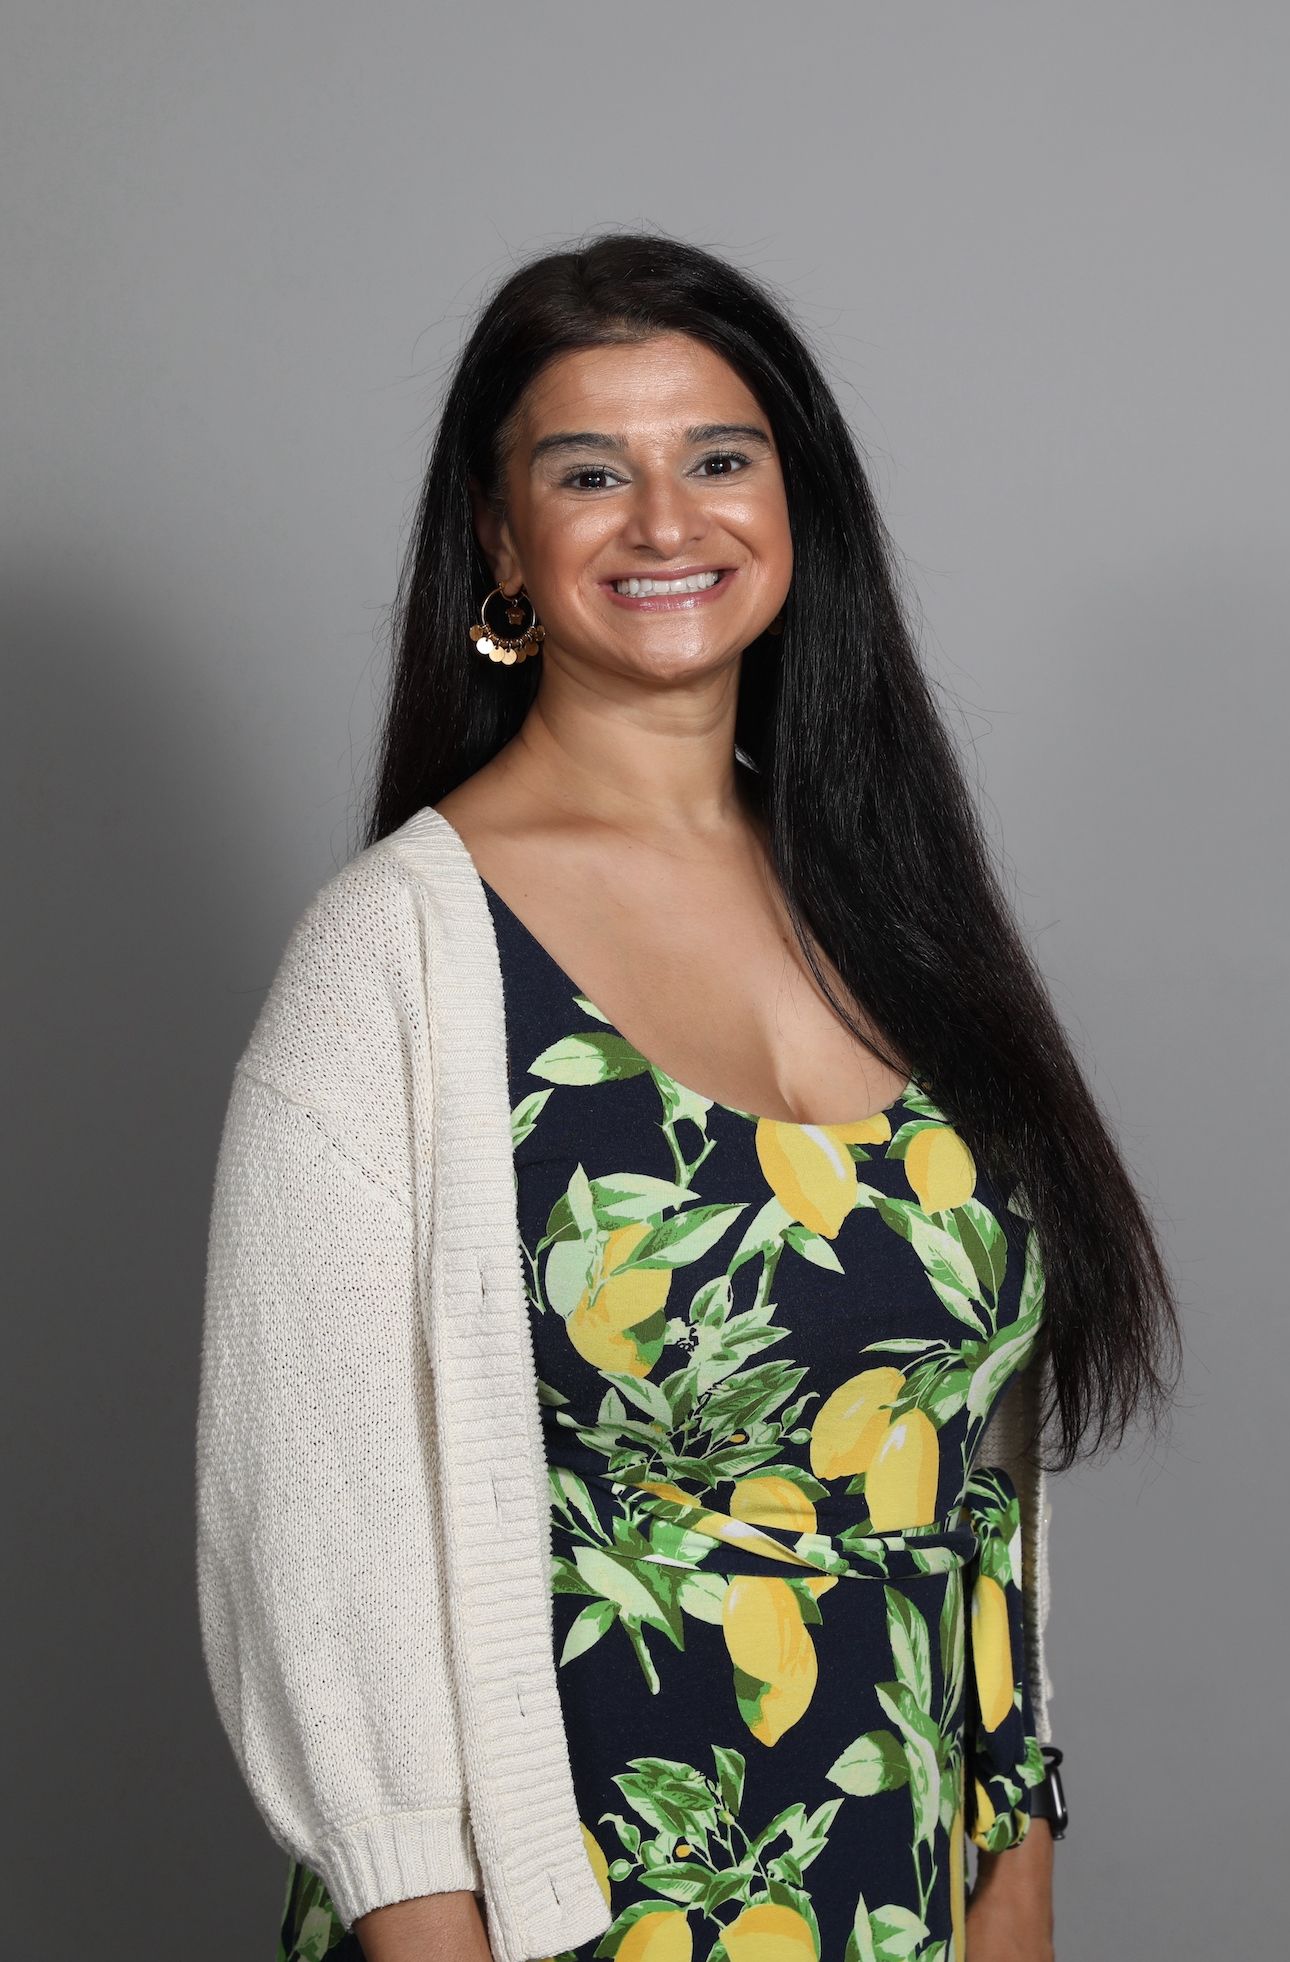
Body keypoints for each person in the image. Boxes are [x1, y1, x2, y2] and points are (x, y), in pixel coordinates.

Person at [195, 232, 1183, 1962]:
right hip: (560, 1916)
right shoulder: (397, 958)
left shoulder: (891, 900)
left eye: (719, 457)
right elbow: (319, 1551)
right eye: (591, 472)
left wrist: (1012, 1854)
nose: (667, 522)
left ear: (796, 503)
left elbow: (969, 1463)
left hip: (902, 1891)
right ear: (501, 537)